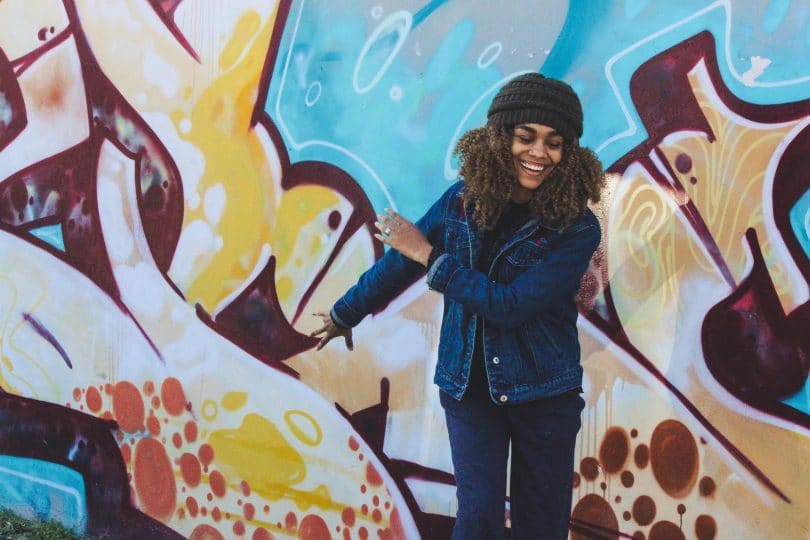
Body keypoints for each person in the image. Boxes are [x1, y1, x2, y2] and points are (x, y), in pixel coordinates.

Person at [311, 72, 605, 539]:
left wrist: (430, 256)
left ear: (569, 152)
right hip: (469, 387)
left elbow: (510, 305)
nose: (539, 153)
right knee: (478, 521)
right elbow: (399, 264)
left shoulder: (576, 227)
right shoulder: (462, 201)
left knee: (541, 527)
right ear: (498, 138)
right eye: (525, 137)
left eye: (555, 142)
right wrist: (346, 313)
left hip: (544, 393)